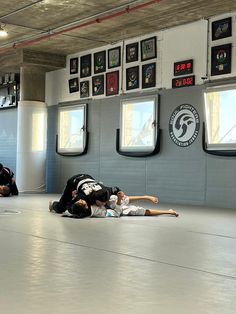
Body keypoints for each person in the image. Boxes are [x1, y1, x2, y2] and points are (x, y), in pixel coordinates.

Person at [59, 191, 179, 219]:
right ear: (85, 207)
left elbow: (68, 210)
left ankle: (145, 196)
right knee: (139, 211)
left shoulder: (78, 206)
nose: (81, 200)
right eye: (80, 202)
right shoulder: (96, 212)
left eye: (79, 200)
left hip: (108, 204)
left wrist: (74, 195)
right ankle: (169, 211)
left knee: (114, 197)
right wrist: (119, 202)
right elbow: (115, 214)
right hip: (115, 210)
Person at [49, 173, 122, 214]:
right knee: (61, 208)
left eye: (105, 202)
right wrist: (74, 197)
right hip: (73, 182)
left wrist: (120, 193)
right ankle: (53, 204)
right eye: (102, 203)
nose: (103, 204)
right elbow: (70, 207)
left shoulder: (106, 190)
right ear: (96, 199)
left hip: (88, 177)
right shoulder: (83, 196)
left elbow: (116, 189)